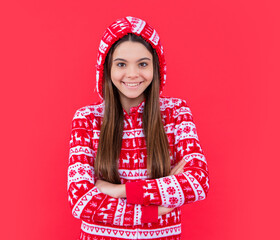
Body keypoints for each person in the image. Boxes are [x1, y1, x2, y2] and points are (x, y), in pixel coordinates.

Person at [67, 16, 210, 240]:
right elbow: (81, 201)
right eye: (121, 64)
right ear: (106, 68)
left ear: (156, 67)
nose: (133, 74)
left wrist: (120, 191)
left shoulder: (176, 113)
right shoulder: (87, 119)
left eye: (143, 64)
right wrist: (154, 210)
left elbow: (198, 182)